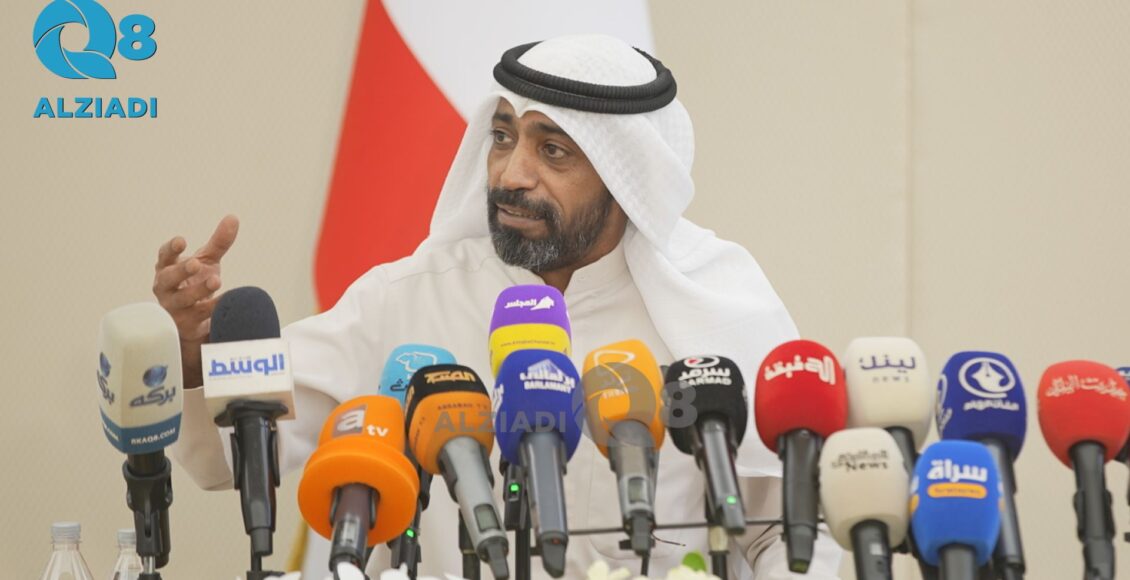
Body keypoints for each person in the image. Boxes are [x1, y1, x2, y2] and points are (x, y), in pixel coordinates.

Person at [156, 35, 842, 579]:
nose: (512, 175)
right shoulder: (410, 297)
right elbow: (238, 454)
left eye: (553, 151)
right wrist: (192, 355)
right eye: (504, 137)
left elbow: (786, 530)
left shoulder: (712, 307)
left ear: (625, 175)